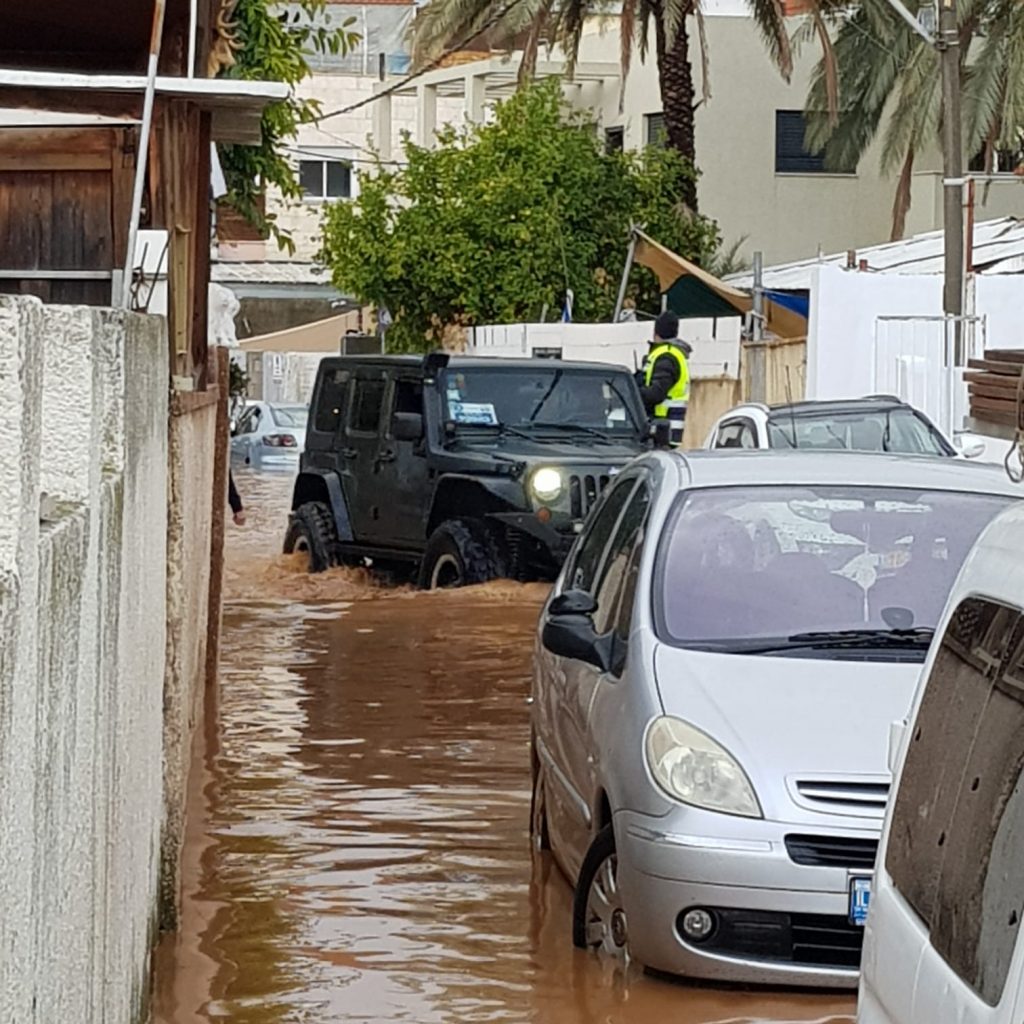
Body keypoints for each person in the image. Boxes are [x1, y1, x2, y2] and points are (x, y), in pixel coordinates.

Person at [638, 310, 692, 446]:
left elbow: (656, 393)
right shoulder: (672, 354)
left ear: (656, 332)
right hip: (665, 430)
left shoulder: (666, 356)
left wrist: (633, 393)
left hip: (661, 431)